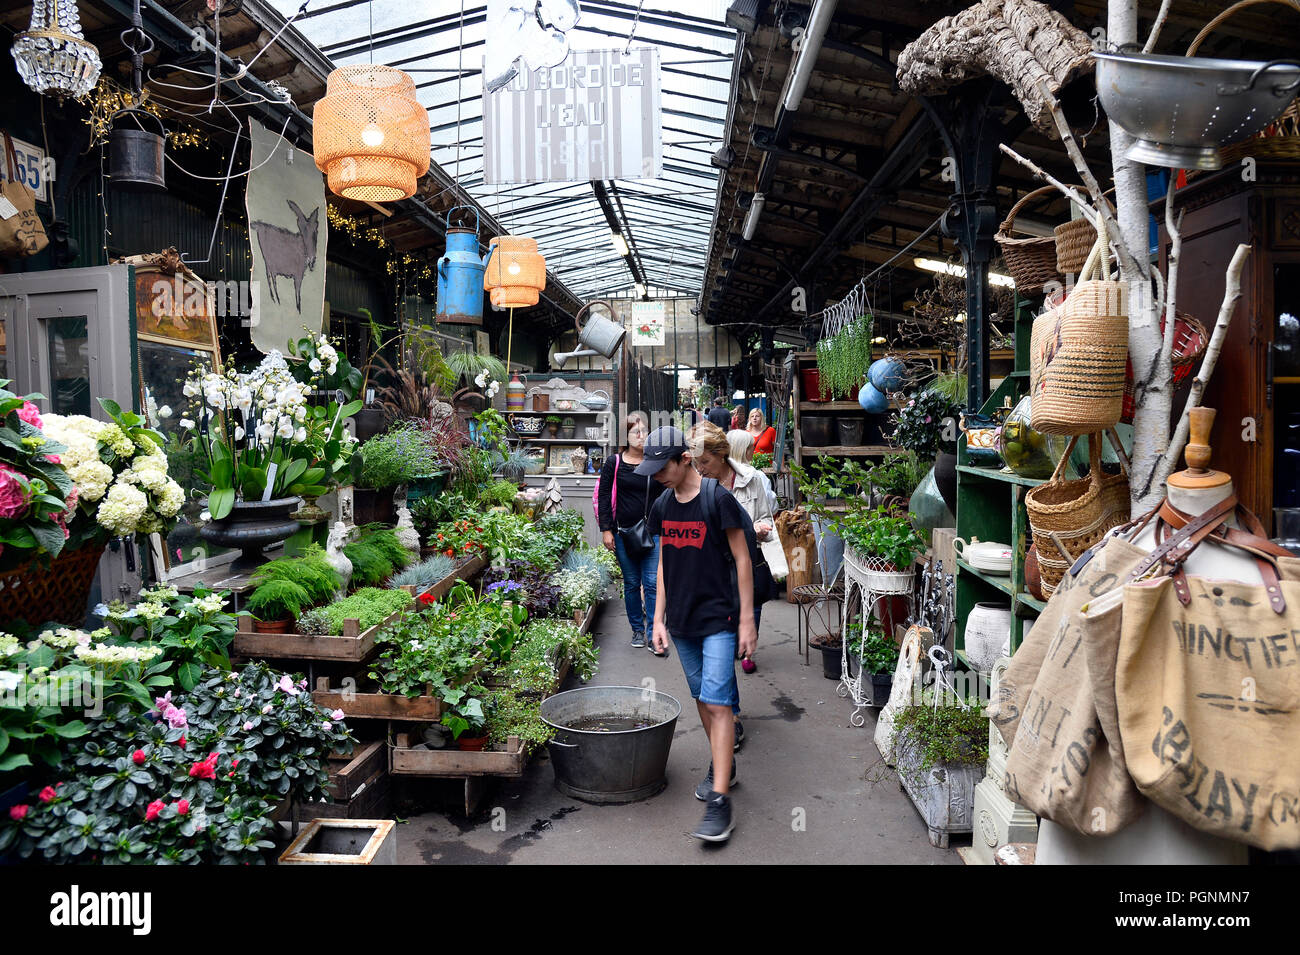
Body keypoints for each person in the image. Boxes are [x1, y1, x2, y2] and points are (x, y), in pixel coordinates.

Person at [640, 426, 756, 843]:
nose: (656, 476)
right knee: (703, 701)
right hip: (682, 623)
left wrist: (747, 620)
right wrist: (657, 619)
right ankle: (724, 765)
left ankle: (720, 801)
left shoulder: (717, 499)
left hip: (719, 619)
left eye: (662, 467)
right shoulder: (662, 505)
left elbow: (742, 559)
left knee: (718, 703)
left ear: (684, 459)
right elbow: (663, 564)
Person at [692, 422, 773, 685]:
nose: (700, 468)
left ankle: (748, 646)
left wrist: (759, 528)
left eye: (705, 461)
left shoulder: (752, 479)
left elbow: (765, 517)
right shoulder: (698, 485)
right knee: (721, 634)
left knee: (752, 605)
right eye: (696, 463)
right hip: (714, 567)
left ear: (722, 455)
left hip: (748, 557)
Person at [597, 414, 667, 653]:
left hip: (653, 532)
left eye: (644, 430)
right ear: (624, 437)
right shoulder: (614, 462)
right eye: (636, 432)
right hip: (623, 533)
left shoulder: (655, 461)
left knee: (652, 583)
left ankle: (653, 634)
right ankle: (637, 629)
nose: (641, 435)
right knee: (631, 583)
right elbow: (604, 496)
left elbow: (667, 492)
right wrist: (606, 530)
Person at [728, 428, 779, 513]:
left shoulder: (720, 474)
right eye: (752, 446)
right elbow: (772, 507)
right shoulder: (758, 476)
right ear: (746, 450)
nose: (754, 449)